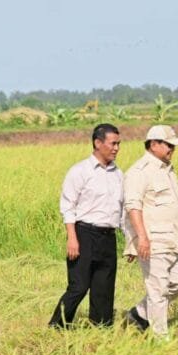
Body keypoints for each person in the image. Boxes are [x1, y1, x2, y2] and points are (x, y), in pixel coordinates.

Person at [48, 123, 124, 329]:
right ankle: (57, 325)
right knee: (79, 286)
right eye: (113, 143)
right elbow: (67, 206)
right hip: (84, 234)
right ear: (97, 143)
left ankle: (101, 328)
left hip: (108, 235)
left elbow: (122, 209)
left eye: (119, 144)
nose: (116, 148)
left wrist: (130, 240)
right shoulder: (80, 171)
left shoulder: (118, 174)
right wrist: (72, 238)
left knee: (104, 287)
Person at [123, 125, 178, 340]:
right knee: (158, 290)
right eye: (168, 144)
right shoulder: (139, 172)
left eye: (173, 145)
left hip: (174, 239)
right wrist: (141, 238)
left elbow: (177, 204)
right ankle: (160, 339)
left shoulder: (168, 170)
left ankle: (139, 314)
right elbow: (133, 206)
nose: (172, 148)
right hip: (153, 241)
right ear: (153, 144)